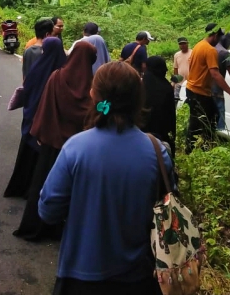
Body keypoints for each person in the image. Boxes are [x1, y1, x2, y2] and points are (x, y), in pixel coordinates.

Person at [39, 61, 172, 295]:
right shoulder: (157, 152)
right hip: (140, 278)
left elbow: (48, 211)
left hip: (81, 276)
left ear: (93, 95)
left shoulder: (76, 148)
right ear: (138, 100)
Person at [14, 40, 96, 241]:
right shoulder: (93, 86)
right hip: (79, 149)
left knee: (44, 184)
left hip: (52, 145)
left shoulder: (57, 77)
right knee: (74, 190)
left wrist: (41, 134)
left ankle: (36, 225)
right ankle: (67, 232)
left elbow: (45, 107)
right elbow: (96, 113)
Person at [4, 37, 66, 199]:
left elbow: (27, 89)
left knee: (27, 156)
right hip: (48, 125)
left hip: (31, 119)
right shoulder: (62, 72)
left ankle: (21, 188)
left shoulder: (38, 68)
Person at [185, 23, 230, 153]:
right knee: (203, 120)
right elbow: (215, 74)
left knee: (205, 118)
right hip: (199, 91)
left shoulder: (198, 45)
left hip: (192, 88)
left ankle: (201, 146)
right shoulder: (210, 50)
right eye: (219, 36)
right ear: (215, 35)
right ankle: (195, 149)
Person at [142, 56, 176, 155]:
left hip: (144, 134)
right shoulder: (166, 87)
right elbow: (171, 114)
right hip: (162, 135)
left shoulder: (141, 85)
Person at [172, 36, 192, 100]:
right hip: (180, 82)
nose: (182, 45)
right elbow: (175, 68)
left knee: (189, 98)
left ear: (187, 43)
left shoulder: (193, 53)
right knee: (177, 99)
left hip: (190, 81)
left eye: (184, 43)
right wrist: (175, 81)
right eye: (180, 44)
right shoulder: (177, 55)